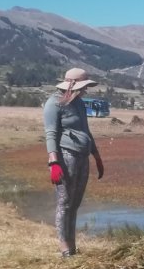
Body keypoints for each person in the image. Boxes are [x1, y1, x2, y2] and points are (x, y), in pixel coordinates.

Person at [43, 67, 104, 258]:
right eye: (83, 87)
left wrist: (96, 156)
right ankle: (65, 249)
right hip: (66, 157)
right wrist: (54, 162)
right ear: (71, 85)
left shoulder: (78, 103)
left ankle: (73, 246)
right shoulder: (54, 103)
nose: (85, 91)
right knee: (64, 203)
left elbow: (86, 131)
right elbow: (51, 134)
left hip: (82, 157)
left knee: (75, 204)